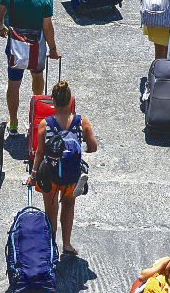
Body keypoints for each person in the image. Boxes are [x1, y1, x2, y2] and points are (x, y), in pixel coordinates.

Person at [31, 80, 98, 256]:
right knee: (68, 204)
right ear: (70, 101)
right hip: (71, 173)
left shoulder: (45, 124)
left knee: (51, 209)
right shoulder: (81, 122)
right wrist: (80, 148)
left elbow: (39, 153)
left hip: (50, 174)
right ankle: (67, 244)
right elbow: (93, 147)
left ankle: (51, 245)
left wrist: (33, 175)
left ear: (53, 101)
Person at [0, 0, 60, 134]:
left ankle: (13, 123)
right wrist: (53, 48)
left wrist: (2, 28)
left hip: (15, 45)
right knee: (37, 77)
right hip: (36, 47)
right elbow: (47, 28)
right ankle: (36, 119)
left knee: (14, 84)